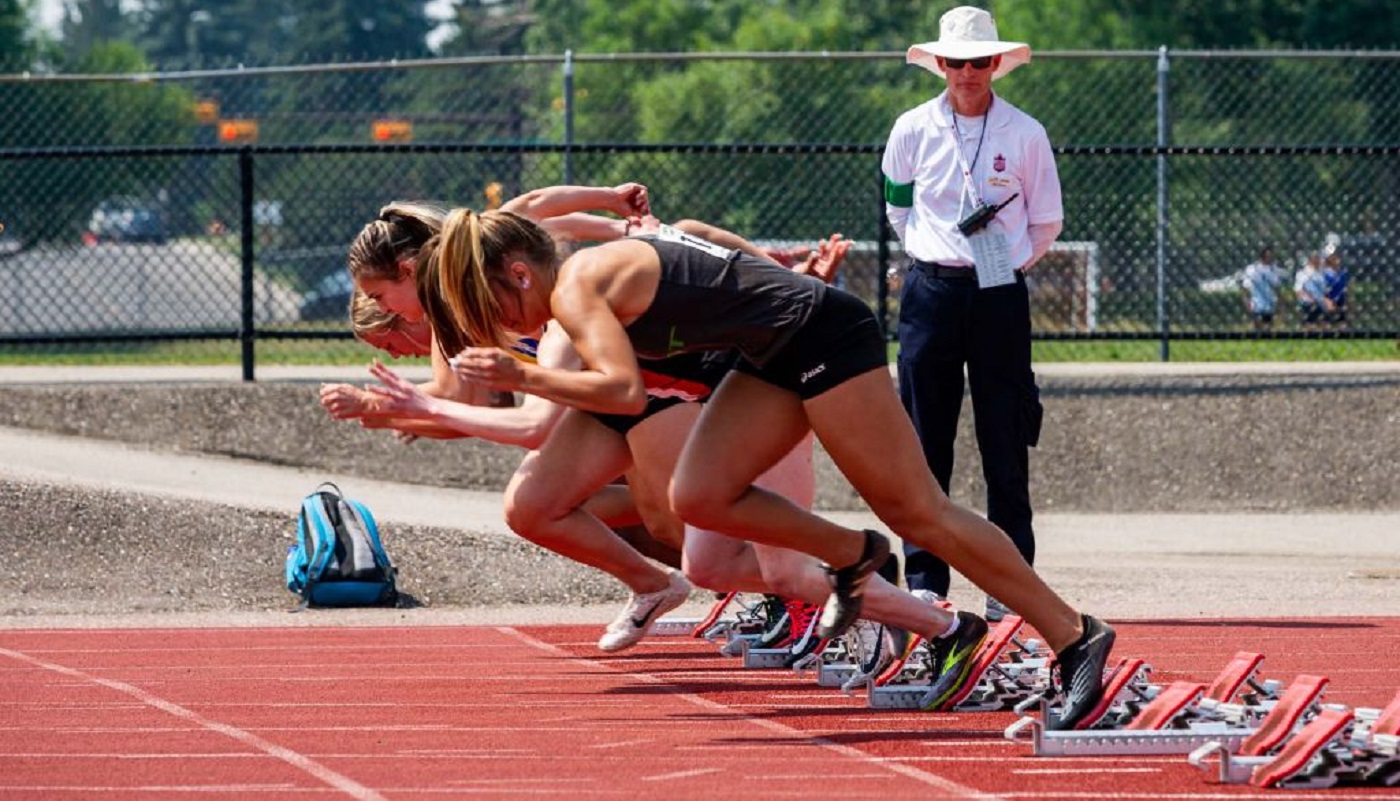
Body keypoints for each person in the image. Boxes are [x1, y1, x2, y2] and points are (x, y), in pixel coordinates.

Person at [417, 204, 1117, 729]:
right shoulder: (584, 278)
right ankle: (853, 554)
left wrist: (523, 373)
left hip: (824, 335)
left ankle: (1074, 634)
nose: (511, 331)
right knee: (699, 494)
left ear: (518, 272)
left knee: (917, 510)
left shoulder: (575, 287)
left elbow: (623, 390)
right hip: (773, 356)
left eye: (499, 312)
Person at [881, 6, 1060, 623]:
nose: (967, 73)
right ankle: (926, 578)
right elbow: (898, 207)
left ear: (996, 65)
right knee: (924, 439)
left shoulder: (1025, 133)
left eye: (979, 61)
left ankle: (1011, 578)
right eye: (956, 62)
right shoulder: (910, 128)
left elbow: (1045, 221)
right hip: (931, 290)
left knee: (1003, 438)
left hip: (1000, 293)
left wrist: (1004, 266)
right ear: (939, 65)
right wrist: (936, 257)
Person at [1240, 247, 1283, 330]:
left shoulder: (1272, 269)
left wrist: (1279, 302)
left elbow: (1276, 287)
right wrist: (1246, 301)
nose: (1271, 258)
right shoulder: (1252, 269)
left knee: (1268, 326)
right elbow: (1245, 287)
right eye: (1268, 256)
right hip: (1256, 302)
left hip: (1269, 302)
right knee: (1257, 325)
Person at [1294, 251, 1331, 327]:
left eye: (1319, 259)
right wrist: (1309, 299)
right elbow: (1298, 290)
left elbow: (1324, 290)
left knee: (1325, 325)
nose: (1319, 261)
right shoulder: (1303, 273)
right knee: (1310, 326)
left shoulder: (1321, 273)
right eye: (1316, 259)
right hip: (1309, 304)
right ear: (1311, 260)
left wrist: (1327, 301)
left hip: (1321, 304)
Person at [1322, 249, 1349, 328]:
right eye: (1335, 259)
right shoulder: (1325, 274)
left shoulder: (1342, 273)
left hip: (1341, 299)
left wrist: (1347, 300)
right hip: (1329, 298)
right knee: (1328, 322)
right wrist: (1326, 300)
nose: (1338, 261)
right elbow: (1322, 289)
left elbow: (1345, 287)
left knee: (1342, 322)